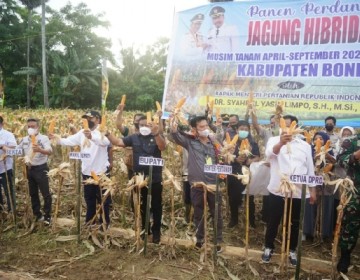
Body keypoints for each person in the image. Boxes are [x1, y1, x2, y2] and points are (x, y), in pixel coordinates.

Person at [262, 115, 317, 266]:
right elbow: (269, 155)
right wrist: (281, 142)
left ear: (296, 127)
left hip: (298, 191)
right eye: (283, 126)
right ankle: (268, 247)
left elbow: (310, 169)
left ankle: (292, 249)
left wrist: (312, 190)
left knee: (295, 222)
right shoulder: (274, 141)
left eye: (289, 126)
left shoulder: (304, 146)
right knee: (273, 220)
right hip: (277, 189)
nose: (286, 129)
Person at [106, 113, 166, 244]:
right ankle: (145, 230)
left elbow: (162, 147)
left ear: (152, 126)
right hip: (139, 178)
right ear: (138, 126)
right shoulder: (134, 137)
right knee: (142, 204)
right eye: (141, 125)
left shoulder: (156, 136)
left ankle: (156, 231)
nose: (144, 127)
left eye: (147, 125)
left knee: (156, 205)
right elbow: (118, 142)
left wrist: (156, 133)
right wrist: (107, 133)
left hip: (155, 177)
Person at [170, 115, 223, 251]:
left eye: (206, 126)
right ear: (194, 129)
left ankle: (217, 241)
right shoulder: (190, 142)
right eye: (201, 127)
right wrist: (173, 126)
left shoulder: (214, 142)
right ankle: (200, 239)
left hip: (213, 184)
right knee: (199, 212)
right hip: (197, 184)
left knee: (216, 213)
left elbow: (224, 154)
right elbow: (175, 136)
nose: (205, 129)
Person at [51, 111, 111, 227]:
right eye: (85, 118)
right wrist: (56, 138)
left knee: (104, 200)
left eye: (90, 118)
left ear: (98, 119)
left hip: (101, 172)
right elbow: (69, 141)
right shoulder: (81, 132)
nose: (87, 120)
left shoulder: (102, 130)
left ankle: (105, 223)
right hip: (87, 172)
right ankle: (90, 222)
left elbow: (106, 142)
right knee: (89, 200)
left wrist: (91, 136)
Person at [18, 118, 52, 225]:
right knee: (33, 193)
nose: (31, 128)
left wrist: (40, 150)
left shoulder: (44, 138)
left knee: (45, 193)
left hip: (41, 169)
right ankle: (37, 214)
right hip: (29, 169)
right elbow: (18, 151)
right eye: (29, 126)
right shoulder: (24, 140)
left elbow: (50, 151)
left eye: (33, 126)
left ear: (38, 127)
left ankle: (47, 216)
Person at [303, 131, 336, 241]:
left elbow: (335, 162)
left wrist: (326, 155)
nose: (318, 140)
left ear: (326, 140)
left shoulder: (330, 151)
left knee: (324, 208)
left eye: (321, 138)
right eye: (316, 138)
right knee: (310, 205)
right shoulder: (309, 150)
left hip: (325, 184)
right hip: (312, 183)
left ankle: (323, 233)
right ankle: (309, 232)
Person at [227, 120, 260, 228]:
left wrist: (251, 161)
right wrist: (235, 159)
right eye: (241, 129)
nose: (244, 131)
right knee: (233, 198)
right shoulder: (230, 143)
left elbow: (257, 156)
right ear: (237, 130)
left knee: (249, 198)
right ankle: (234, 219)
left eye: (246, 129)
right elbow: (223, 156)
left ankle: (251, 220)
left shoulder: (253, 143)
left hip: (248, 174)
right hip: (233, 173)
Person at [336, 132, 360, 274]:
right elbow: (340, 160)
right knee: (350, 225)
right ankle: (345, 257)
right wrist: (356, 156)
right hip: (355, 191)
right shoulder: (351, 141)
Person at [0, 115, 17, 213]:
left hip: (5, 168)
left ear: (1, 124)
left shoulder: (8, 135)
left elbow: (14, 152)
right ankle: (1, 212)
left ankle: (12, 212)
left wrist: (3, 147)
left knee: (9, 191)